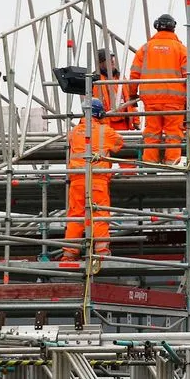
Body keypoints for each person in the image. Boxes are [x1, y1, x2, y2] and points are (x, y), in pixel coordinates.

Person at [62, 98, 124, 260]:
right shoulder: (106, 131)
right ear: (100, 113)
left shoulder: (74, 132)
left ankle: (69, 252)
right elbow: (119, 143)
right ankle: (101, 251)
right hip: (97, 179)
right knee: (100, 214)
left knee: (75, 215)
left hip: (77, 180)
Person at [127, 14, 188, 165]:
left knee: (152, 132)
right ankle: (172, 162)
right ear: (173, 27)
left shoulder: (145, 48)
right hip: (175, 100)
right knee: (173, 132)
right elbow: (189, 75)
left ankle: (150, 162)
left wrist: (132, 95)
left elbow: (134, 74)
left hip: (151, 99)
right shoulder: (181, 49)